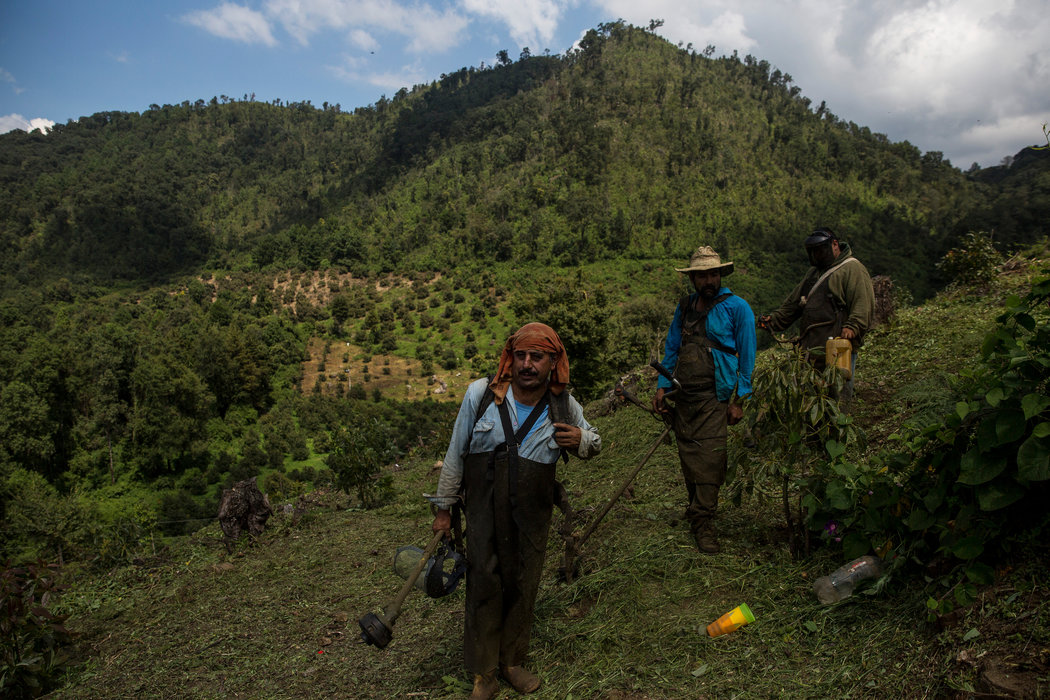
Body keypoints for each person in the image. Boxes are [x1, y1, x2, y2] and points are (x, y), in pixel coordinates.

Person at [430, 322, 601, 700]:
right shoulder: (482, 395)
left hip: (532, 513)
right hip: (483, 510)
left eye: (536, 357)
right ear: (511, 357)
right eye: (520, 355)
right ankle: (484, 673)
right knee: (484, 581)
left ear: (552, 361)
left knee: (524, 582)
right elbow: (456, 453)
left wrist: (581, 441)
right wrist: (444, 509)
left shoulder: (563, 404)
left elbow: (594, 440)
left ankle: (512, 662)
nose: (527, 364)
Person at [652, 246, 756, 554]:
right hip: (684, 395)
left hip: (716, 395)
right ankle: (696, 508)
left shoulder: (738, 308)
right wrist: (661, 386)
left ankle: (703, 521)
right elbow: (671, 348)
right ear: (693, 279)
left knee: (710, 458)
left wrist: (739, 400)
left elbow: (747, 358)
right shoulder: (684, 307)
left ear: (720, 275)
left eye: (712, 274)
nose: (707, 280)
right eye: (701, 276)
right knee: (688, 454)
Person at [757, 227, 874, 406]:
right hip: (810, 349)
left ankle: (836, 433)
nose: (817, 255)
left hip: (837, 347)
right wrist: (774, 321)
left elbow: (862, 302)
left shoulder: (852, 268)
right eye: (813, 252)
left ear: (835, 244)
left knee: (835, 400)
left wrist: (853, 326)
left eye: (820, 250)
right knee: (809, 400)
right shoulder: (813, 274)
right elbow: (794, 303)